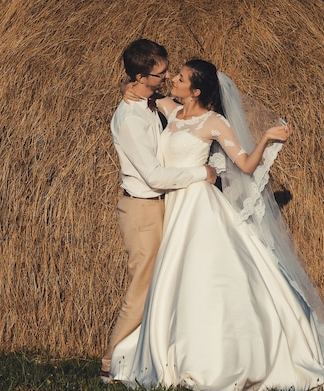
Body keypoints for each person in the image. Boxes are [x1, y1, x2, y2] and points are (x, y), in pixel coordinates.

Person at [110, 59, 324, 390]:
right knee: (174, 276)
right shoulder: (169, 107)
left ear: (195, 91)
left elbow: (246, 165)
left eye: (179, 78)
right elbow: (139, 96)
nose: (172, 81)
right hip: (176, 206)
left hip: (200, 206)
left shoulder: (215, 122)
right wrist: (127, 87)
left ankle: (213, 357)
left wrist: (266, 139)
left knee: (204, 276)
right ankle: (172, 351)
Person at [101, 41, 217, 382]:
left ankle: (156, 356)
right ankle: (109, 364)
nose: (167, 77)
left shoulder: (147, 103)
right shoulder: (130, 120)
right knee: (142, 289)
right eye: (161, 73)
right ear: (141, 76)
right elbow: (153, 176)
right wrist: (202, 172)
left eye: (168, 71)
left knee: (164, 283)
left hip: (162, 207)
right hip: (143, 210)